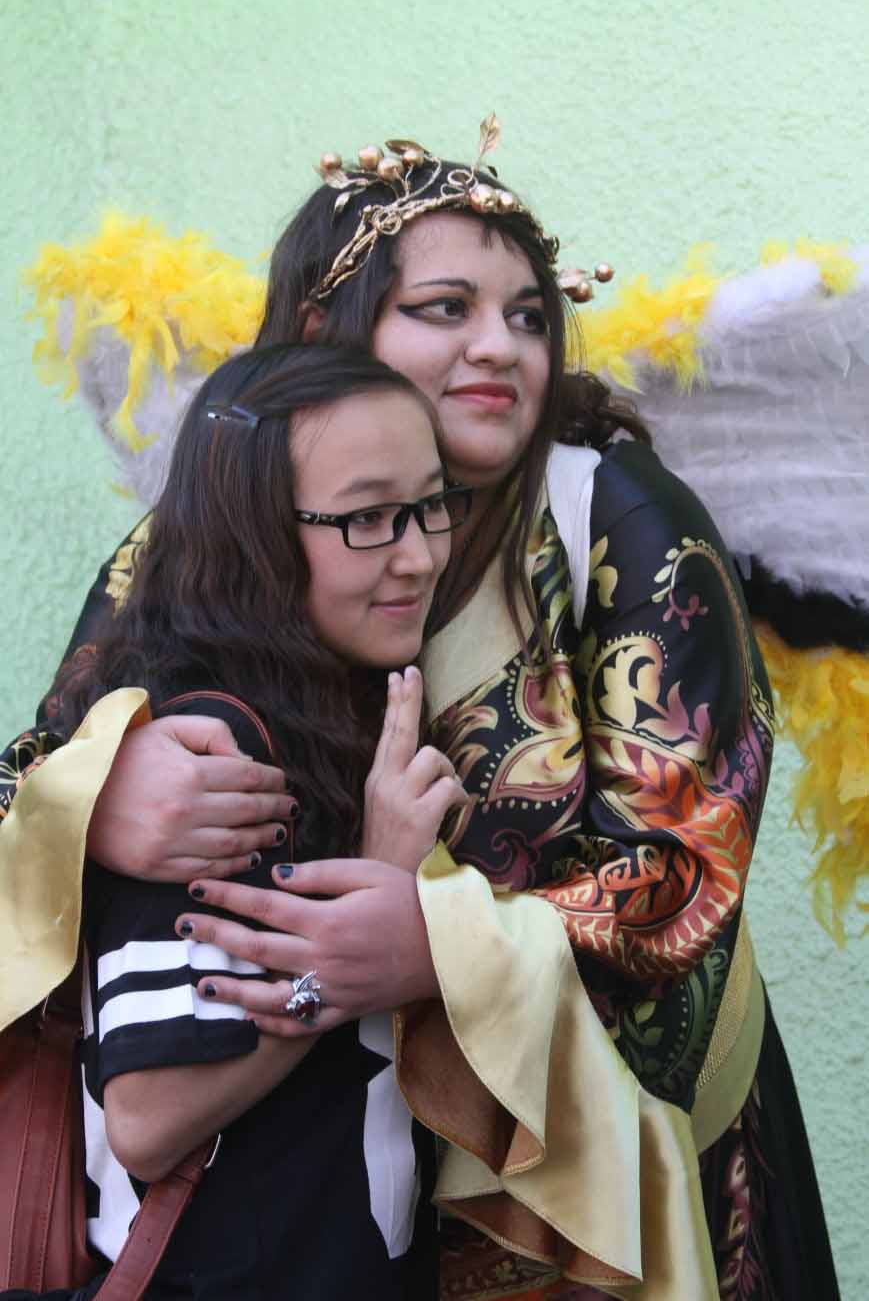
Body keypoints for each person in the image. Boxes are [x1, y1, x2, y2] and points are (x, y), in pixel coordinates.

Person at [1, 130, 838, 1299]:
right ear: (323, 329)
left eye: (528, 314)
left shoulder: (617, 515)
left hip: (576, 1196)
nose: (498, 345)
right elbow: (27, 774)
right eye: (445, 308)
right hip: (316, 1202)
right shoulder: (205, 522)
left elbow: (682, 870)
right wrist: (98, 792)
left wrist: (437, 947)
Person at [3, 341, 475, 1301]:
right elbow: (149, 1115)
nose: (419, 554)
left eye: (432, 505)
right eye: (366, 518)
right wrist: (363, 917)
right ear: (252, 535)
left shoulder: (329, 708)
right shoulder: (212, 755)